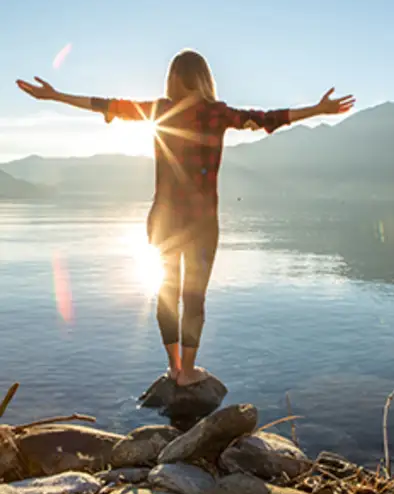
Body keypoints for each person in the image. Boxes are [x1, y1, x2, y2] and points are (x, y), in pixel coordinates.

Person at [16, 49, 355, 386]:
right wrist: (317, 109)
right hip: (202, 222)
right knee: (194, 297)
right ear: (204, 78)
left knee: (166, 292)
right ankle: (188, 373)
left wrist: (55, 96)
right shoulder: (217, 114)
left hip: (162, 219)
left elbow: (104, 104)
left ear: (175, 79)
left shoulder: (160, 110)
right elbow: (269, 118)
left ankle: (174, 367)